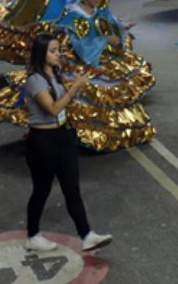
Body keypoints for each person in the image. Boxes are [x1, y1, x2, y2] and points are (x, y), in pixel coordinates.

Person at [21, 33, 112, 253]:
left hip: (62, 136)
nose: (58, 54)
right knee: (42, 190)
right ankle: (32, 235)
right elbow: (51, 108)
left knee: (72, 189)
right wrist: (73, 89)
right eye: (52, 51)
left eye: (58, 49)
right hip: (42, 141)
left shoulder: (55, 74)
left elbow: (61, 107)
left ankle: (87, 235)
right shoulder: (35, 80)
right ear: (41, 54)